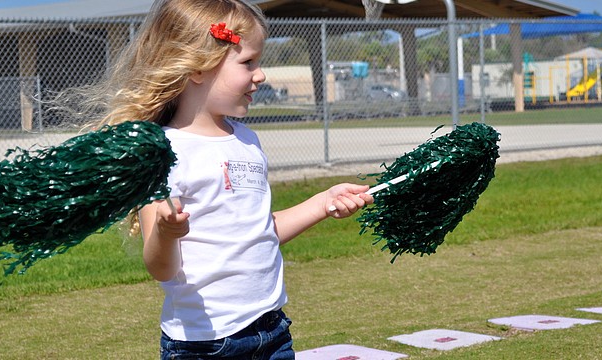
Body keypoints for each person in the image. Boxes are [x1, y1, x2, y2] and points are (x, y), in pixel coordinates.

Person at [67, 0, 373, 358]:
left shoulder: (247, 141)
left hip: (272, 331)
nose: (260, 75)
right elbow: (161, 268)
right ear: (198, 67)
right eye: (248, 63)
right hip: (205, 345)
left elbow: (259, 231)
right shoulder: (161, 152)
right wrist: (166, 233)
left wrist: (322, 202)